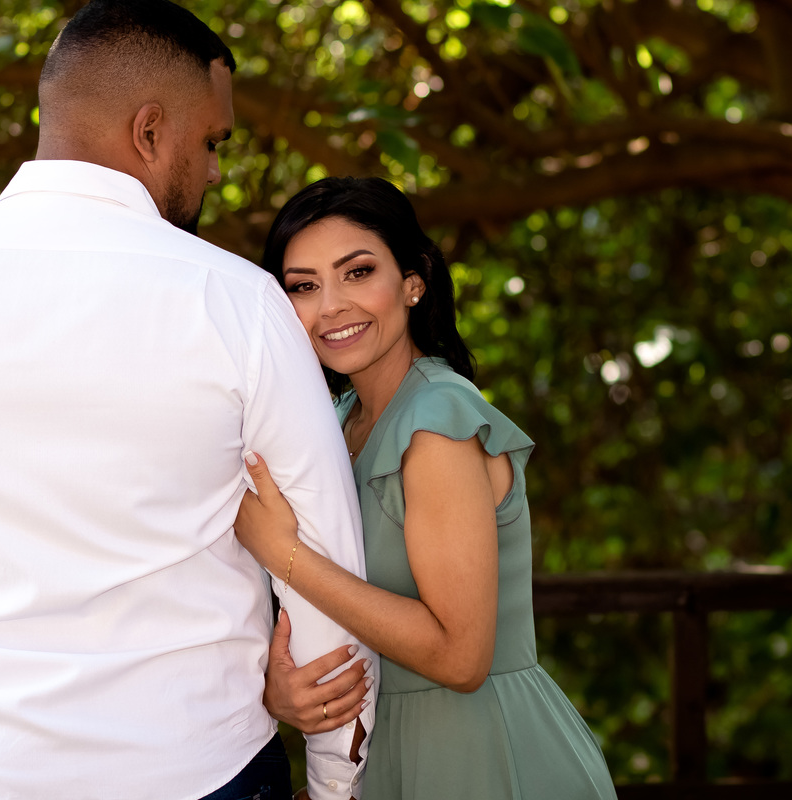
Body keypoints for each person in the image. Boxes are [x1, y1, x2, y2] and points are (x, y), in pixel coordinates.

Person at [0, 3, 376, 800]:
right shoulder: (236, 301)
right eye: (212, 142)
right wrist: (337, 779)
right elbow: (320, 550)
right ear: (150, 131)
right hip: (204, 772)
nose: (215, 171)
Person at [234, 176, 617, 799]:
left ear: (414, 281)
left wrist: (285, 554)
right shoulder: (339, 422)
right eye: (304, 286)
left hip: (476, 753)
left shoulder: (437, 421)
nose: (330, 306)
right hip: (385, 753)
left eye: (357, 272)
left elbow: (460, 658)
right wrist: (282, 694)